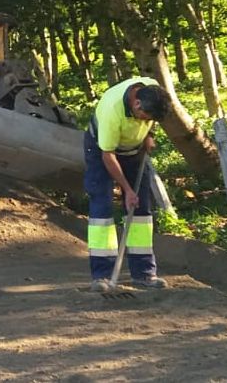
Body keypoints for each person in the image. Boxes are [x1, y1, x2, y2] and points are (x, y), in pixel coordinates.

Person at [85, 77, 173, 292]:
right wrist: (126, 189)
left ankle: (144, 274)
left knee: (141, 211)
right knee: (102, 207)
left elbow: (151, 120)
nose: (145, 121)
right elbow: (108, 156)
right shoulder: (112, 112)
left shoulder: (152, 90)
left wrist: (149, 135)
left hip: (134, 150)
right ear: (136, 104)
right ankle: (102, 276)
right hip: (102, 151)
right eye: (145, 117)